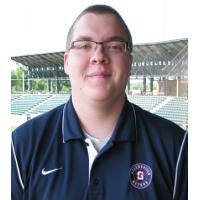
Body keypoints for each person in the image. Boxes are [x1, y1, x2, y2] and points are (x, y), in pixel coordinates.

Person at [12, 4, 188, 200]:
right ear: (66, 62)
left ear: (130, 62)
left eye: (114, 46)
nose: (99, 57)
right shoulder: (20, 145)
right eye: (84, 45)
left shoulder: (178, 146)